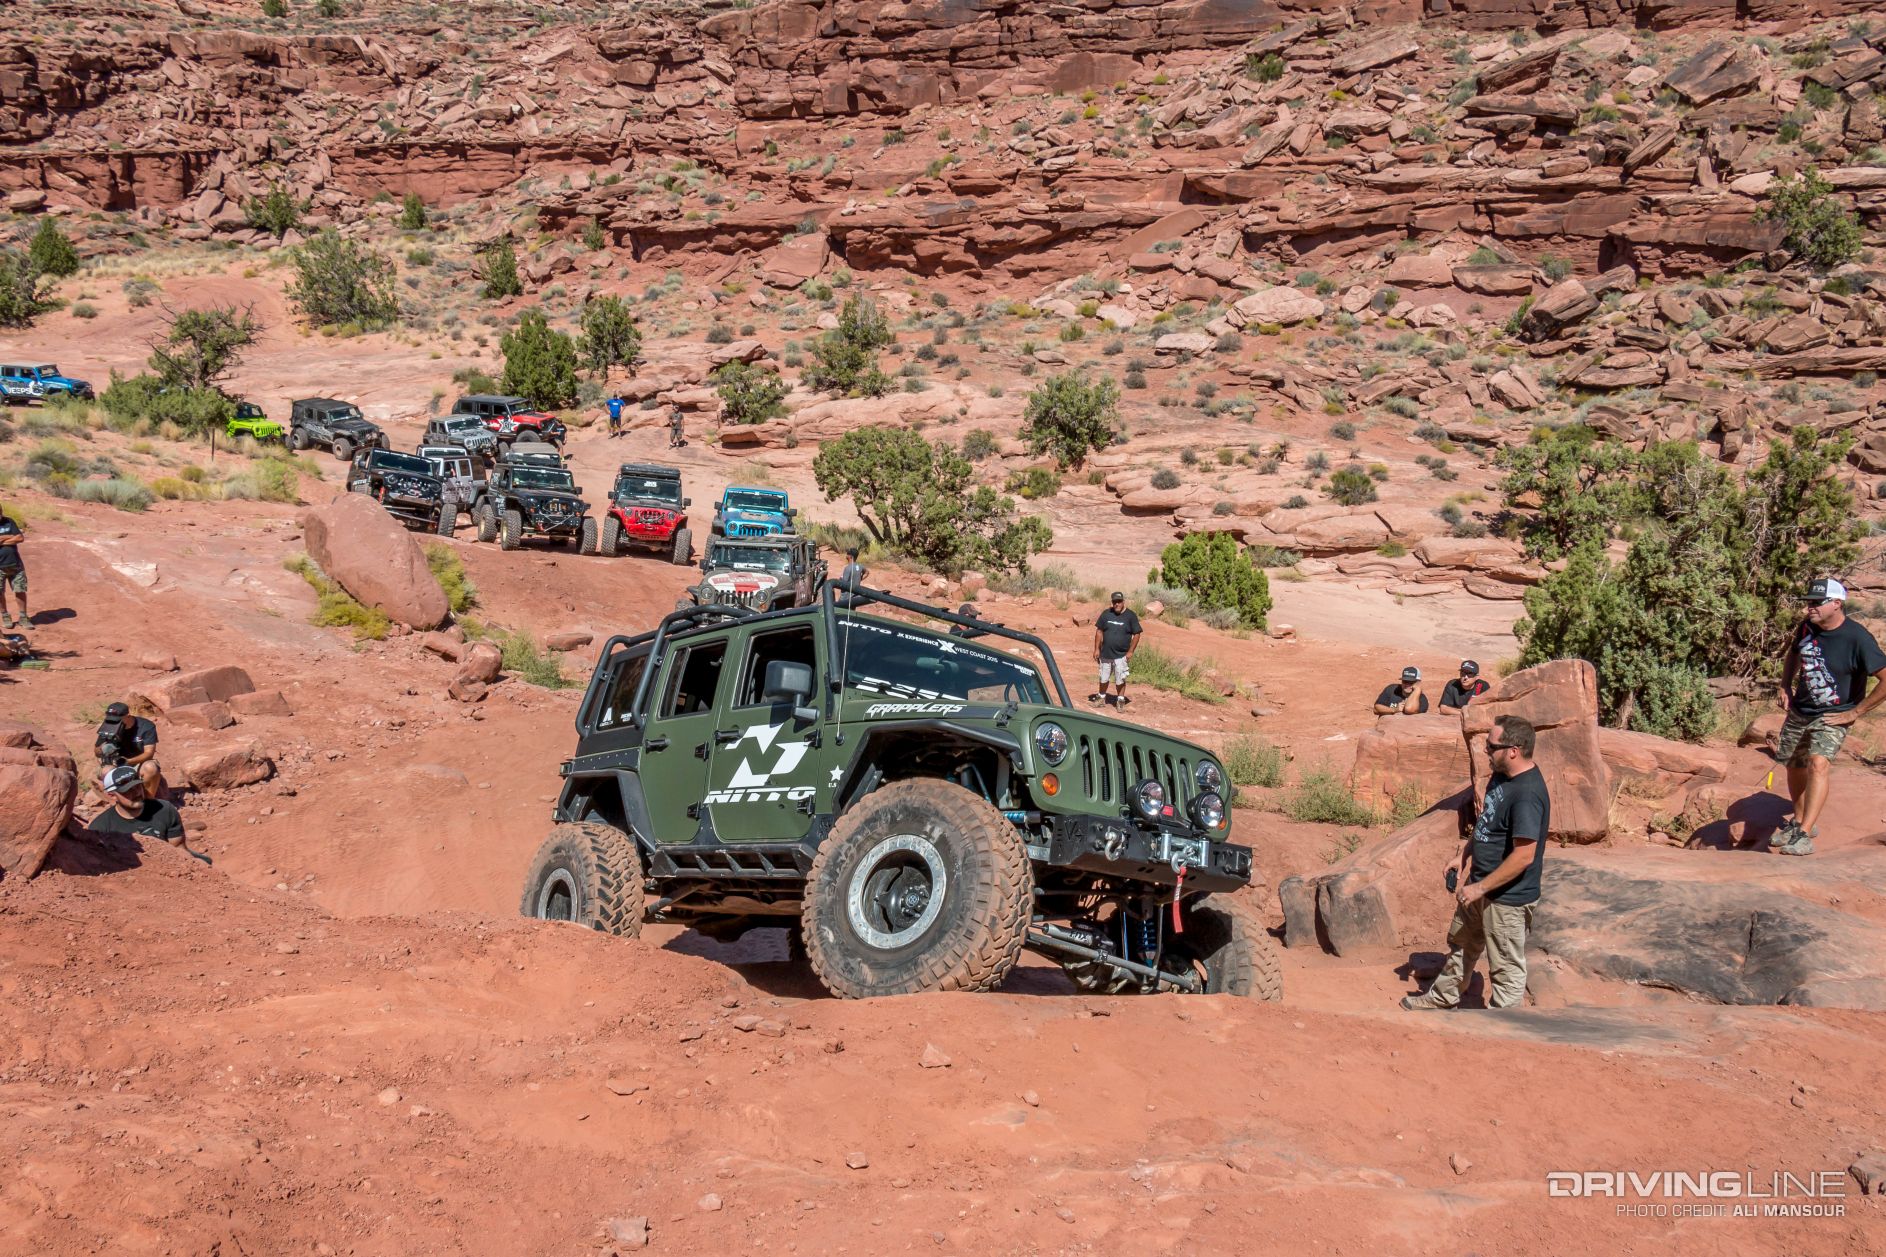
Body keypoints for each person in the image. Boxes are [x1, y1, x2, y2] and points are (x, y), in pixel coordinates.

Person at [1402, 715, 1549, 1011]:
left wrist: (1480, 888)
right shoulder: (1501, 775)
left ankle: (1503, 1025)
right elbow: (1488, 823)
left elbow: (1524, 855)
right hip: (1480, 886)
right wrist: (1464, 854)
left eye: (1491, 746)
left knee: (1505, 968)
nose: (1485, 750)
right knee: (1461, 945)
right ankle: (1444, 997)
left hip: (1506, 899)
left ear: (1513, 751)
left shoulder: (1527, 794)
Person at [1773, 577, 1886, 856]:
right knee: (1794, 765)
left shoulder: (1858, 638)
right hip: (1801, 710)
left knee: (1818, 763)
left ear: (1837, 603)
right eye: (1808, 602)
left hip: (1834, 715)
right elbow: (1794, 653)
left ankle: (1803, 834)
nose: (1809, 608)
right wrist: (1785, 684)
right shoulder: (1806, 628)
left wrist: (1856, 712)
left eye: (1816, 603)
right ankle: (1800, 821)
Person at [87, 764, 206, 862]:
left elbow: (180, 852)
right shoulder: (100, 827)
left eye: (137, 786)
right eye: (128, 791)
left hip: (169, 871)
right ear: (112, 795)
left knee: (205, 861)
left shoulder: (164, 809)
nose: (136, 793)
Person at [95, 701, 163, 796]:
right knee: (106, 771)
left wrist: (128, 761)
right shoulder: (108, 726)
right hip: (115, 763)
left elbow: (149, 753)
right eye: (111, 719)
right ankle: (120, 800)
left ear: (128, 716)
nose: (114, 722)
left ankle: (149, 801)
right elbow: (96, 752)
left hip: (139, 763)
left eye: (117, 719)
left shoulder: (146, 726)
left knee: (150, 768)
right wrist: (102, 749)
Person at [1091, 592, 1142, 708]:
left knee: (1120, 678)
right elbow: (1099, 631)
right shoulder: (1106, 614)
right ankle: (1101, 698)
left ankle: (1120, 700)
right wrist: (1096, 649)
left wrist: (1130, 651)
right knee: (1103, 677)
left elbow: (1137, 634)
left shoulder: (1131, 616)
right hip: (1105, 653)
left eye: (1119, 602)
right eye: (1114, 602)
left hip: (1121, 655)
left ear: (1123, 602)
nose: (1117, 604)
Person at [0, 503, 26, 631]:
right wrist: (11, 536)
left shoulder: (9, 521)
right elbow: (15, 537)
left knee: (20, 590)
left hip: (15, 564)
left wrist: (2, 539)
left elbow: (20, 538)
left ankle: (23, 617)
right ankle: (5, 616)